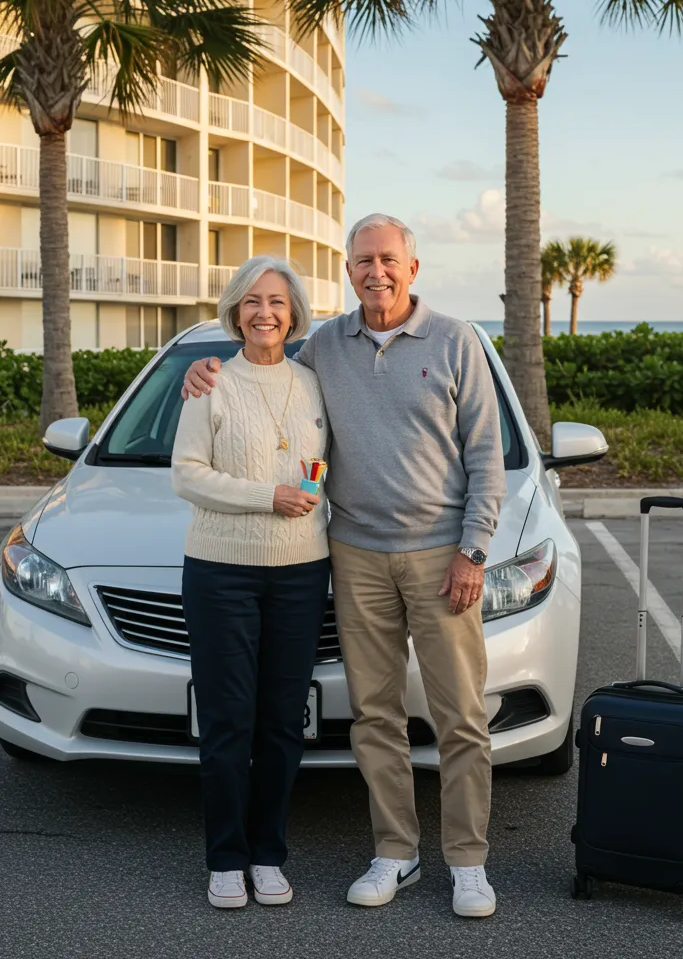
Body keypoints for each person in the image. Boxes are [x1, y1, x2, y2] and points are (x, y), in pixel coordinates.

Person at [183, 215, 506, 918]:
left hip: (440, 555)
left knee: (461, 718)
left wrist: (473, 550)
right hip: (353, 554)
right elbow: (262, 357)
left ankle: (469, 862)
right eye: (363, 261)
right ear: (348, 270)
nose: (376, 272)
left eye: (388, 259)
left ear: (412, 268)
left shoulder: (456, 341)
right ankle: (397, 852)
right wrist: (204, 365)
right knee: (376, 717)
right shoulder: (326, 345)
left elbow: (486, 458)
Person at [171, 255, 330, 909]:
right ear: (235, 310)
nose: (265, 312)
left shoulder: (315, 382)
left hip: (300, 571)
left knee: (281, 725)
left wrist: (307, 492)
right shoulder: (208, 383)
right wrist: (271, 495)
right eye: (252, 301)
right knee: (228, 722)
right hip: (221, 573)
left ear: (294, 314)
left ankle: (268, 854)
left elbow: (324, 466)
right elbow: (186, 474)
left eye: (278, 302)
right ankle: (225, 858)